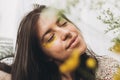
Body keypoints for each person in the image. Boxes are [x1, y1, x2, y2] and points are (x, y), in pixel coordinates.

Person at [11, 5, 120, 80]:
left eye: (63, 23)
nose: (66, 32)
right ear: (43, 56)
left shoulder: (109, 69)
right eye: (50, 37)